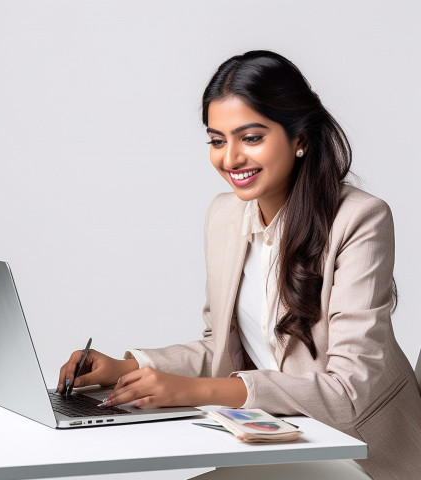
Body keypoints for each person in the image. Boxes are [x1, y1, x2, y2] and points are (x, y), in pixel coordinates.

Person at [57, 51, 421, 479]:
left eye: (250, 137)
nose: (229, 159)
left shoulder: (360, 218)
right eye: (216, 140)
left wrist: (189, 391)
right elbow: (222, 347)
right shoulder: (224, 215)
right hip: (286, 438)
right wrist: (130, 367)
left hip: (360, 450)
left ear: (299, 138)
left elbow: (349, 391)